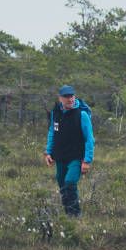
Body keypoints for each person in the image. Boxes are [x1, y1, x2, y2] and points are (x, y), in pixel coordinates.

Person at [44, 85, 95, 217]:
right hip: (60, 156)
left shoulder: (82, 114)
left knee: (70, 183)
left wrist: (87, 160)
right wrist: (48, 152)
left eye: (72, 96)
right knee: (62, 186)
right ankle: (68, 215)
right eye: (66, 97)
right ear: (60, 98)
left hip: (76, 157)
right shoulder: (56, 113)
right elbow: (52, 132)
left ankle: (75, 215)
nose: (70, 99)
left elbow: (89, 139)